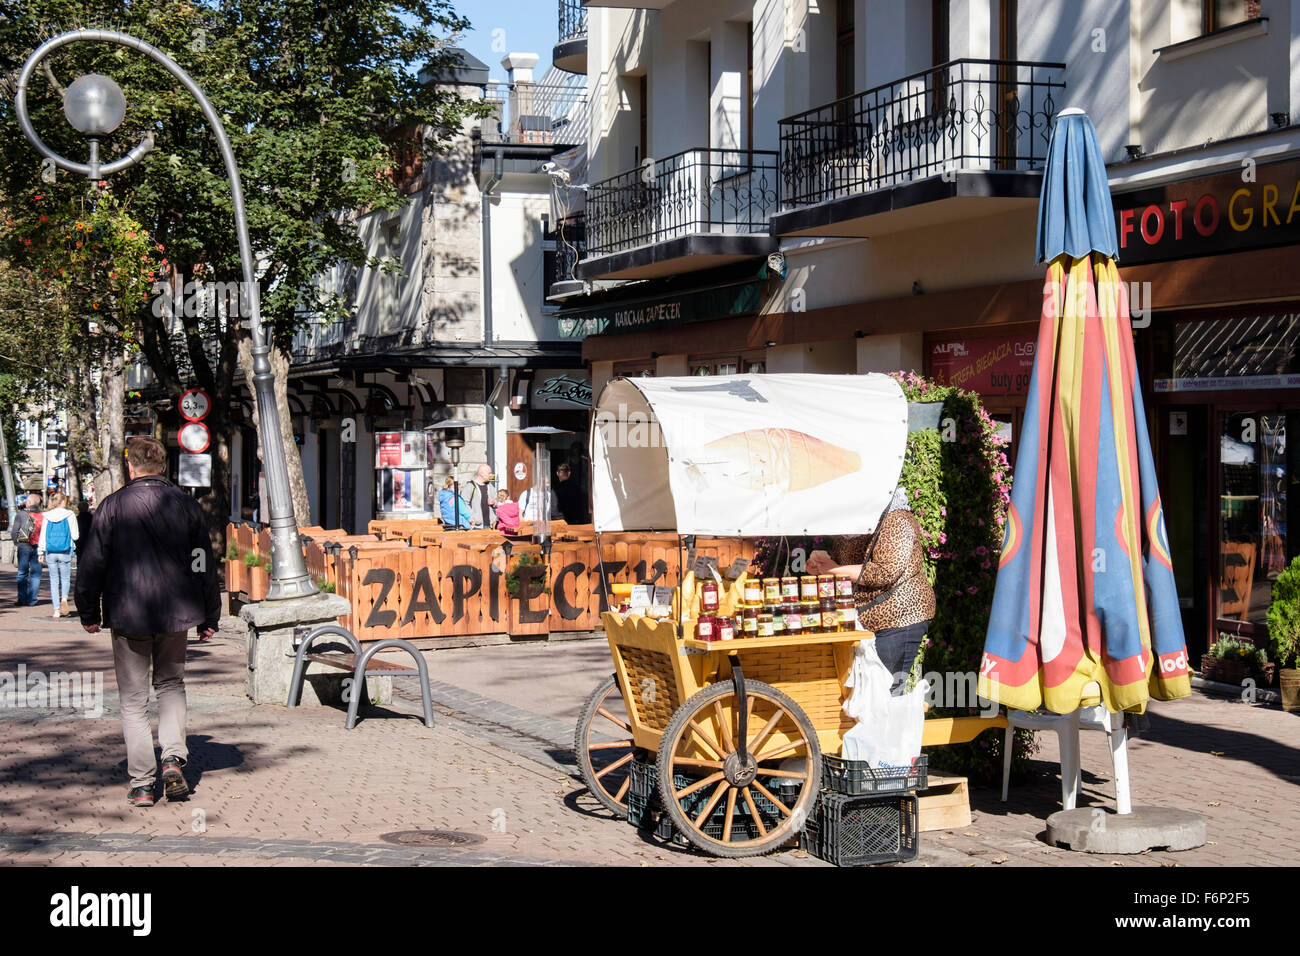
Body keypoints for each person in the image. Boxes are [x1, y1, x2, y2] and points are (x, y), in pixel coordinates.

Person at [75, 436, 220, 808]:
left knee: (134, 701)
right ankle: (173, 759)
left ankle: (142, 784)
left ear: (130, 467)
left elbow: (92, 564)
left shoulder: (111, 507)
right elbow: (203, 560)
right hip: (176, 614)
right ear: (164, 466)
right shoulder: (186, 506)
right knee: (171, 684)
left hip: (128, 612)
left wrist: (88, 610)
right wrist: (210, 613)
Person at [807, 486, 936, 695]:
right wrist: (822, 566)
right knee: (870, 691)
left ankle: (897, 727)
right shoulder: (857, 521)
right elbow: (848, 566)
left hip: (900, 615)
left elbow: (884, 571)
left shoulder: (897, 520)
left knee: (886, 692)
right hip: (870, 617)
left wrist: (834, 569)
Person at [38, 492, 79, 618]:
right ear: (63, 502)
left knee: (53, 580)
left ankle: (56, 610)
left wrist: (40, 552)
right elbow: (75, 535)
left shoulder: (47, 516)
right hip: (65, 550)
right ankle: (65, 599)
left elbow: (43, 535)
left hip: (50, 551)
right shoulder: (70, 514)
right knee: (65, 578)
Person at [12, 494, 43, 607]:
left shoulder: (21, 514)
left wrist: (17, 543)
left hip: (24, 546)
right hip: (38, 547)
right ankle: (32, 600)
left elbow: (14, 531)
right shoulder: (42, 515)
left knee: (22, 573)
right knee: (36, 574)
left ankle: (22, 598)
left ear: (28, 503)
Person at [463, 464, 498, 529]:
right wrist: (473, 517)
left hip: (490, 524)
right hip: (476, 526)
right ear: (481, 473)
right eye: (489, 473)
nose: (491, 475)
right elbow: (464, 503)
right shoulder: (470, 486)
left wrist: (494, 502)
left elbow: (497, 500)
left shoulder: (490, 486)